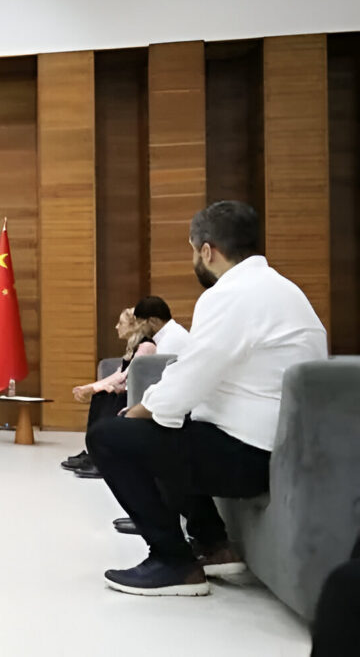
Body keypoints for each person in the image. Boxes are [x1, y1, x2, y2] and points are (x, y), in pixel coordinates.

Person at [86, 200, 327, 596]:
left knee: (108, 437)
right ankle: (213, 544)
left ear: (207, 251)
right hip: (279, 447)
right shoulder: (284, 290)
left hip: (252, 455)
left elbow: (189, 377)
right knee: (172, 427)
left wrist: (138, 412)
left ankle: (173, 561)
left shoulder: (230, 295)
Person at [61, 306, 158, 479]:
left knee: (106, 397)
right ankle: (95, 452)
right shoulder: (134, 346)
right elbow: (118, 373)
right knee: (101, 396)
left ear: (133, 326)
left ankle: (103, 457)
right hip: (126, 390)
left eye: (120, 323)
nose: (116, 327)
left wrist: (97, 388)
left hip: (134, 395)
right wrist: (91, 387)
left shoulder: (146, 346)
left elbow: (127, 377)